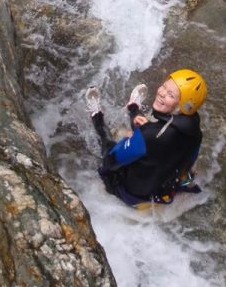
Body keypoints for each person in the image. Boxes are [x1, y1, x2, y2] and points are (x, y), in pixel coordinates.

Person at [85, 69, 207, 207]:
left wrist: (127, 140)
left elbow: (111, 161)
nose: (161, 92)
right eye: (164, 86)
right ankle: (133, 107)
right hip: (162, 192)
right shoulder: (196, 133)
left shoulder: (149, 135)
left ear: (181, 106)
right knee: (143, 128)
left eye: (170, 95)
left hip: (130, 193)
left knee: (109, 146)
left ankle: (97, 117)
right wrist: (144, 134)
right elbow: (187, 163)